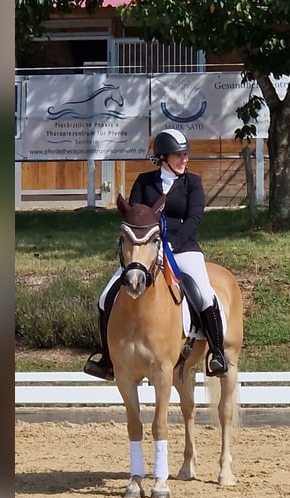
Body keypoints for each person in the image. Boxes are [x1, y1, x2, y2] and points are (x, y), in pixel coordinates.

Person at [83, 128, 227, 381]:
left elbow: (194, 218)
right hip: (145, 251)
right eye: (178, 155)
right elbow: (135, 216)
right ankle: (107, 360)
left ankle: (216, 353)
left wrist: (171, 242)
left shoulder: (192, 182)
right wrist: (147, 244)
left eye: (185, 155)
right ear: (163, 158)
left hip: (183, 249)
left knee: (204, 295)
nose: (184, 160)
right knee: (106, 297)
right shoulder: (144, 182)